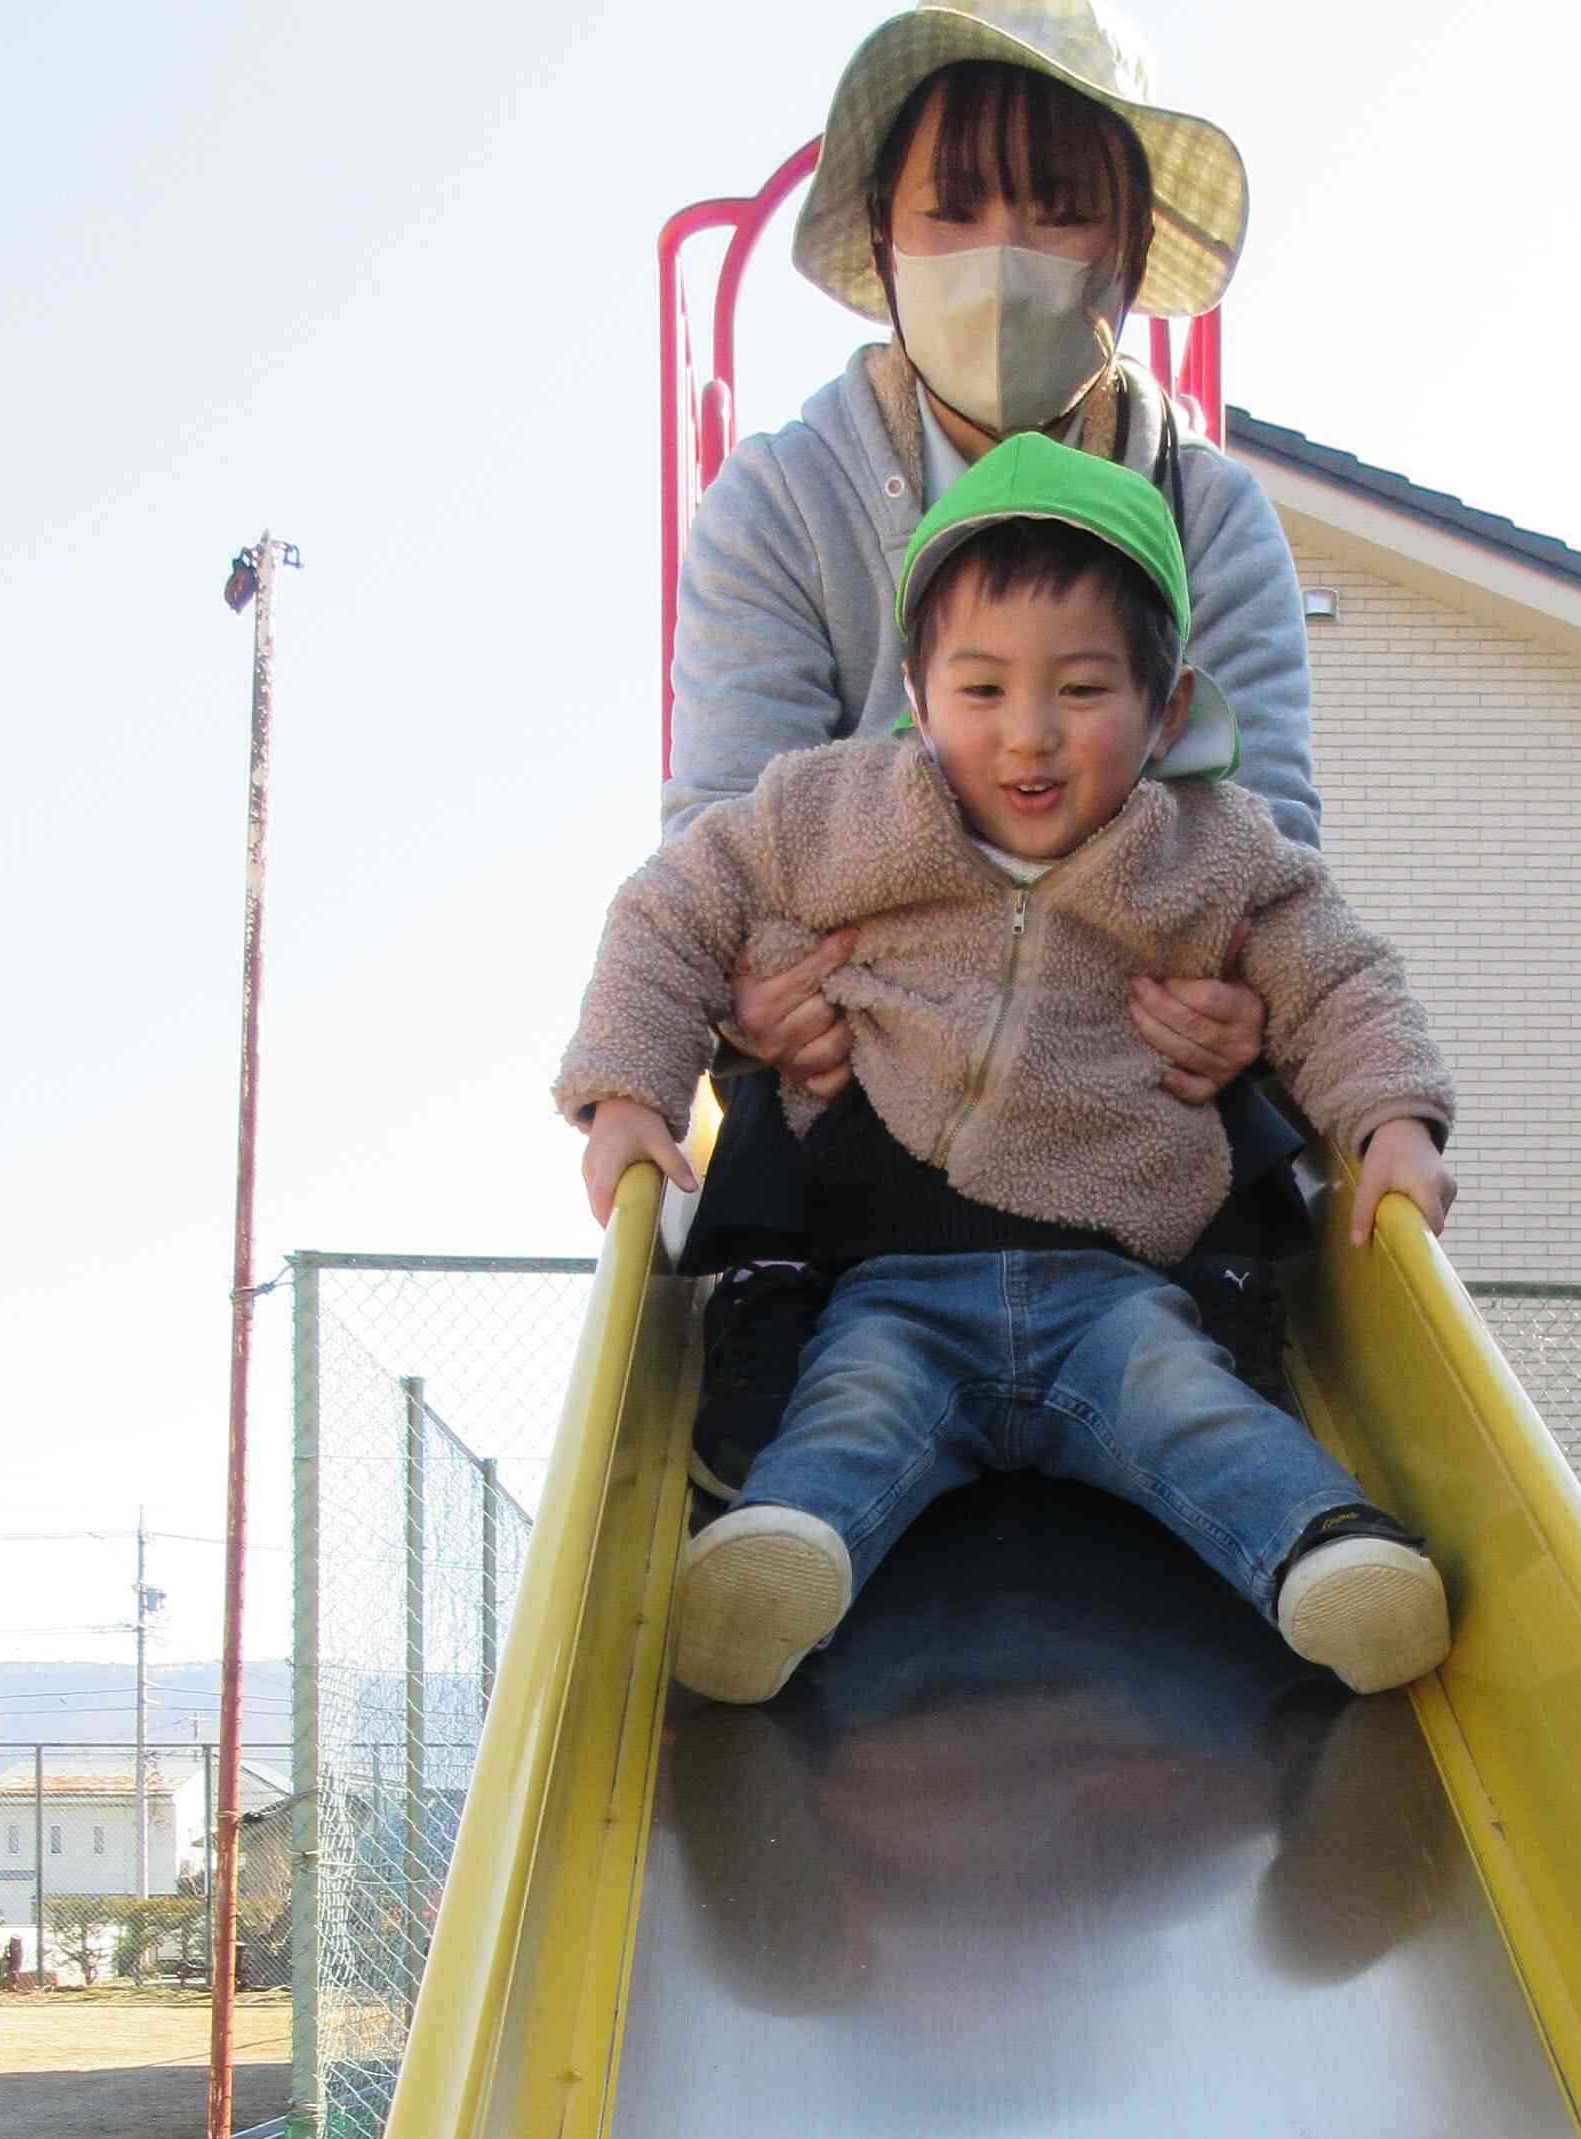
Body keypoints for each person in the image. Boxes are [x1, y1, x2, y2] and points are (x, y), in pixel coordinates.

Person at [556, 435, 1458, 1706]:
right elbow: (671, 911)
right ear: (917, 698)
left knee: (1185, 1403)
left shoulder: (1209, 851)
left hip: (1115, 1279)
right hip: (892, 1278)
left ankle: (1326, 1556)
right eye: (980, 692)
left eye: (1082, 691)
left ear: (1166, 709)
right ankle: (779, 1566)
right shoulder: (835, 817)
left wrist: (1393, 1122)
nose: (1027, 737)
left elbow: (1337, 975)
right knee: (852, 1408)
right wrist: (626, 1090)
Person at [665, 5, 1319, 1491]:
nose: (1004, 252)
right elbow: (721, 828)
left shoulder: (1206, 515)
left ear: (1128, 252)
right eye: (952, 209)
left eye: (1057, 207)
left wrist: (1241, 997)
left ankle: (1208, 1293)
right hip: (882, 1048)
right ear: (884, 246)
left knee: (1233, 1056)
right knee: (776, 1026)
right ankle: (783, 1292)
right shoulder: (784, 502)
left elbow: (1268, 827)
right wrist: (781, 988)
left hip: (1116, 1046)